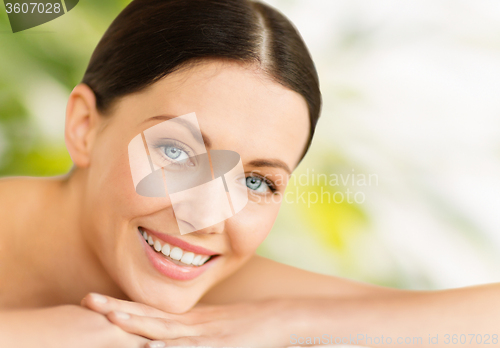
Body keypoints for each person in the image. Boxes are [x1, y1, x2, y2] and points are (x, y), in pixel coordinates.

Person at [0, 0, 498, 347]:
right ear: (84, 126)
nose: (207, 217)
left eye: (257, 181)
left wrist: (290, 321)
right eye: (177, 151)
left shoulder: (214, 287)